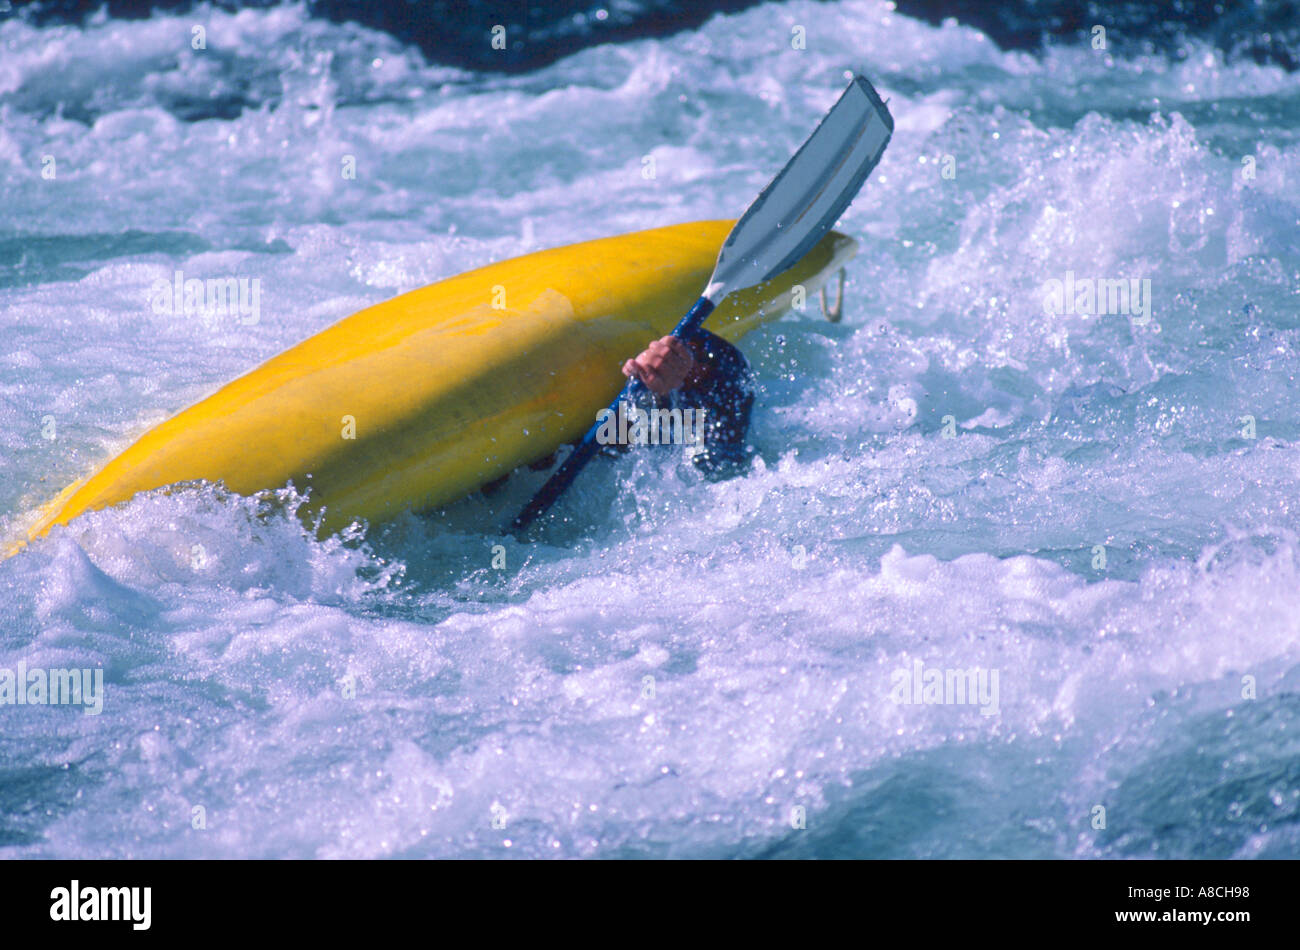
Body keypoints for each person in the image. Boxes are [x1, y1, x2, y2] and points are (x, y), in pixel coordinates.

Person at [619, 330, 755, 480]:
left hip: (708, 449)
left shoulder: (719, 363)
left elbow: (732, 368)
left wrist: (682, 359)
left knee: (720, 462)